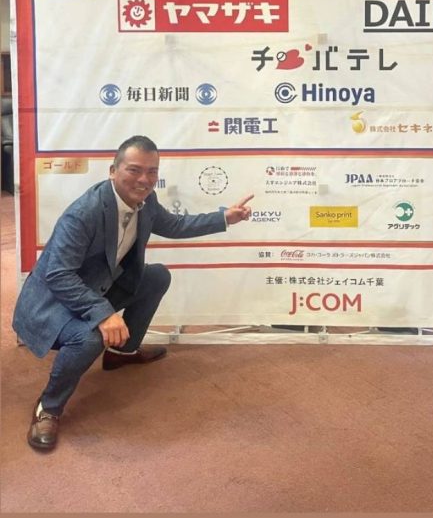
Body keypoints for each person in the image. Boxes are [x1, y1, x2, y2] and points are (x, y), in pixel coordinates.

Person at [13, 135, 253, 452]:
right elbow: (58, 275)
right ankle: (49, 407)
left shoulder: (145, 201)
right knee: (90, 337)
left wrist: (224, 217)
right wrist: (103, 314)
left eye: (152, 172)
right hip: (53, 303)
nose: (144, 179)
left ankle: (122, 354)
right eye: (134, 170)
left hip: (97, 285)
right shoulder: (85, 212)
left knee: (156, 277)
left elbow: (174, 225)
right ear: (113, 171)